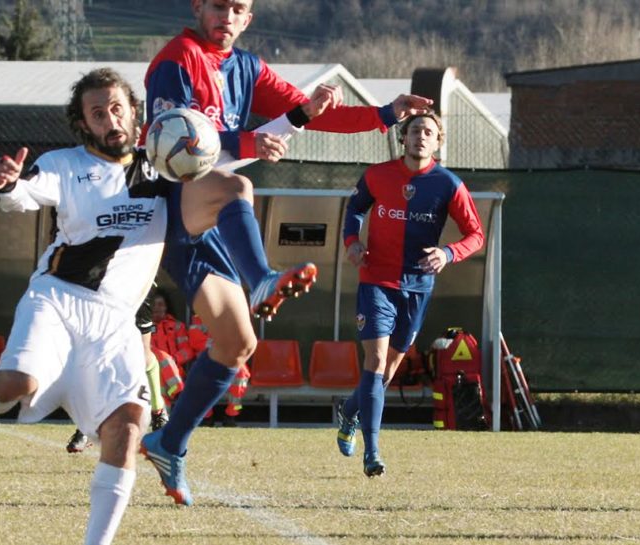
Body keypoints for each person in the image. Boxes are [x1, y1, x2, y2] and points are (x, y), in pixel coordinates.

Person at [139, 0, 435, 506]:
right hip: (168, 202)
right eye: (218, 5)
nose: (226, 16)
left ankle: (169, 442)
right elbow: (170, 146)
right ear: (198, 7)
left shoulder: (248, 67)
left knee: (237, 343)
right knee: (237, 189)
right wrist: (252, 139)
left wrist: (387, 114)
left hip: (204, 226)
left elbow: (316, 115)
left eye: (237, 8)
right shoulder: (177, 58)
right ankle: (260, 279)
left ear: (248, 18)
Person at [0, 67, 167, 545]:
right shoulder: (65, 164)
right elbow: (25, 193)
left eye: (117, 108)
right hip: (58, 299)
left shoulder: (166, 166)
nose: (109, 119)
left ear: (135, 112)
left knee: (130, 427)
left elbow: (227, 156)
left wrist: (290, 122)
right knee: (16, 383)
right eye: (97, 113)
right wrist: (6, 185)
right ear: (83, 125)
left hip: (115, 322)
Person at [336, 112, 484, 477]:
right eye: (415, 130)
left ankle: (350, 410)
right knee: (374, 361)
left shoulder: (448, 184)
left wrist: (448, 253)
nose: (421, 136)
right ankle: (372, 452)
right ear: (403, 137)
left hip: (417, 285)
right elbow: (354, 209)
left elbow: (475, 234)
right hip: (376, 280)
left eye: (428, 132)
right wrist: (353, 242)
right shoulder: (376, 175)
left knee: (386, 373)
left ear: (438, 142)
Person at [66, 292, 172, 453]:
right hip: (105, 291)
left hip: (137, 289)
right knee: (97, 354)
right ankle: (86, 426)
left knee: (143, 353)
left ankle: (158, 412)